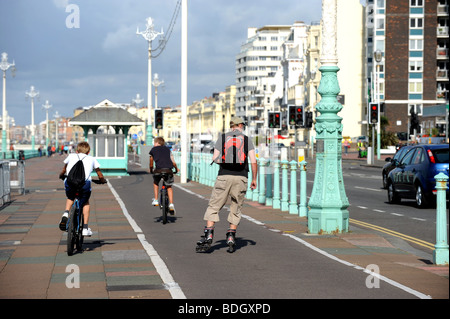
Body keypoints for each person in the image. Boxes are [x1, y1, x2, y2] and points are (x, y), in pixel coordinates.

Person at [196, 116, 257, 253]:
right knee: (236, 206)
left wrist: (227, 161)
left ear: (231, 126)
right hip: (241, 177)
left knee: (214, 205)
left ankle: (209, 233)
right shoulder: (247, 140)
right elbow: (253, 161)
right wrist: (254, 179)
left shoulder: (223, 138)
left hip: (224, 176)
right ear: (241, 125)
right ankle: (231, 235)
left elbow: (215, 158)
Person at [58, 141, 106, 236]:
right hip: (84, 185)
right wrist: (102, 180)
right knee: (85, 202)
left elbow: (64, 169)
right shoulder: (92, 159)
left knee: (70, 198)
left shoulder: (71, 156)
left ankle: (66, 213)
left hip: (70, 183)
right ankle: (85, 228)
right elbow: (99, 173)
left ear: (77, 151)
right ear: (88, 152)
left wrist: (61, 175)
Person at [149, 137, 179, 214]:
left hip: (158, 170)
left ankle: (156, 200)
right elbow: (173, 163)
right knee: (169, 186)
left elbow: (151, 162)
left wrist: (151, 169)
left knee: (156, 182)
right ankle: (171, 204)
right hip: (168, 170)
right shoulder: (168, 150)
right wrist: (176, 169)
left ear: (156, 143)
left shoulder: (153, 150)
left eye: (154, 142)